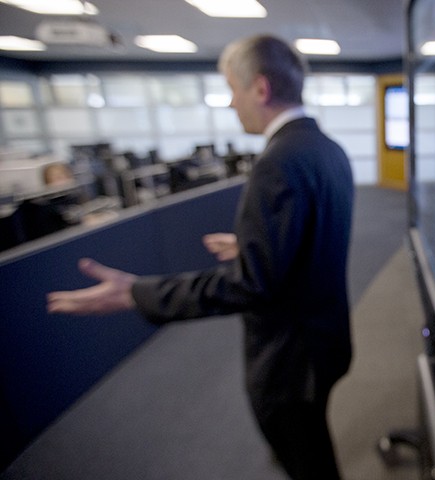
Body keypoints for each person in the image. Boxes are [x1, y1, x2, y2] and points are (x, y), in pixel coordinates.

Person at [46, 34, 354, 480]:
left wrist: (138, 293)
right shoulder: (326, 148)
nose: (231, 104)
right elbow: (318, 238)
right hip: (325, 341)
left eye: (232, 90)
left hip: (291, 362)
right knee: (309, 443)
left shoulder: (277, 161)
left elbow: (250, 285)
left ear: (261, 90)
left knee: (307, 460)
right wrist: (258, 249)